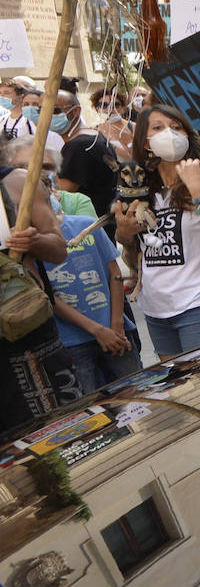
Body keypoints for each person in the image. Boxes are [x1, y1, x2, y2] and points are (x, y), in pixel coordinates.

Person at [114, 103, 200, 359]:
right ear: (146, 142)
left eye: (176, 127)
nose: (169, 134)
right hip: (156, 311)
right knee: (180, 390)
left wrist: (197, 191)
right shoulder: (143, 191)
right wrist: (125, 235)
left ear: (187, 135)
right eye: (157, 128)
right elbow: (135, 258)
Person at [0, 139, 80, 425]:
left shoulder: (19, 182)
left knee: (56, 431)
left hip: (24, 328)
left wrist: (33, 240)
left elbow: (58, 248)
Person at [44, 205, 141, 387]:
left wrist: (117, 323)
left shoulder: (87, 226)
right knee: (89, 406)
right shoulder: (32, 246)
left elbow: (115, 273)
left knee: (136, 391)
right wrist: (97, 330)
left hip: (116, 332)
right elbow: (48, 297)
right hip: (72, 341)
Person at [54, 87, 119, 237]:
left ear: (75, 111)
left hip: (89, 230)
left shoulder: (79, 145)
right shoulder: (93, 135)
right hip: (102, 222)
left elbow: (63, 192)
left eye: (55, 111)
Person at [91, 85, 134, 159]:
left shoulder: (134, 127)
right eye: (104, 105)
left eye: (115, 105)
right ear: (97, 109)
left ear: (123, 108)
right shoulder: (94, 131)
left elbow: (138, 158)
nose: (109, 109)